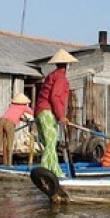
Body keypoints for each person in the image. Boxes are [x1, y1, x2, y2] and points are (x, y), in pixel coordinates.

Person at [34, 48, 78, 177]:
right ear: (67, 65)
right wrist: (61, 116)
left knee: (51, 145)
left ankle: (56, 173)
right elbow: (55, 97)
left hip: (40, 112)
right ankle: (43, 172)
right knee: (50, 145)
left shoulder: (52, 75)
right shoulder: (61, 78)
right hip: (47, 113)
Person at [0, 93, 34, 166]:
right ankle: (9, 164)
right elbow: (33, 113)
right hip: (10, 123)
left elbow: (13, 114)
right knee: (9, 144)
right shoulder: (24, 107)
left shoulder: (11, 105)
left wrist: (22, 118)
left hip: (1, 121)